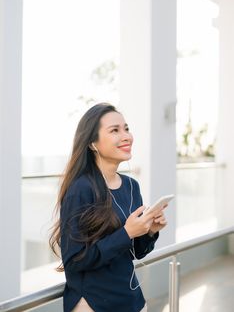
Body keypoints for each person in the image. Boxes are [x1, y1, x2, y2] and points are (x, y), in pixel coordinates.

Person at [49, 102, 167, 312]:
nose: (126, 136)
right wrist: (127, 232)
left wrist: (149, 232)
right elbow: (75, 261)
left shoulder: (131, 186)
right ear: (93, 143)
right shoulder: (81, 189)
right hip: (94, 304)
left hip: (132, 301)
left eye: (126, 129)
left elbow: (135, 253)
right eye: (115, 130)